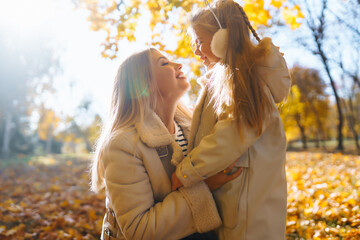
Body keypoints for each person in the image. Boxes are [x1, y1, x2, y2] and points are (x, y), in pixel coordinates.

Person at [90, 48, 242, 240]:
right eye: (164, 63)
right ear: (143, 84)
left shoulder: (193, 127)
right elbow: (139, 230)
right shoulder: (123, 144)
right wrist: (205, 186)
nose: (178, 65)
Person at [171, 0, 291, 239]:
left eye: (199, 41)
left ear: (222, 39)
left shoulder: (241, 79)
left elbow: (230, 135)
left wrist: (184, 173)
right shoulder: (236, 78)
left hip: (247, 210)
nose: (195, 51)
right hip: (241, 200)